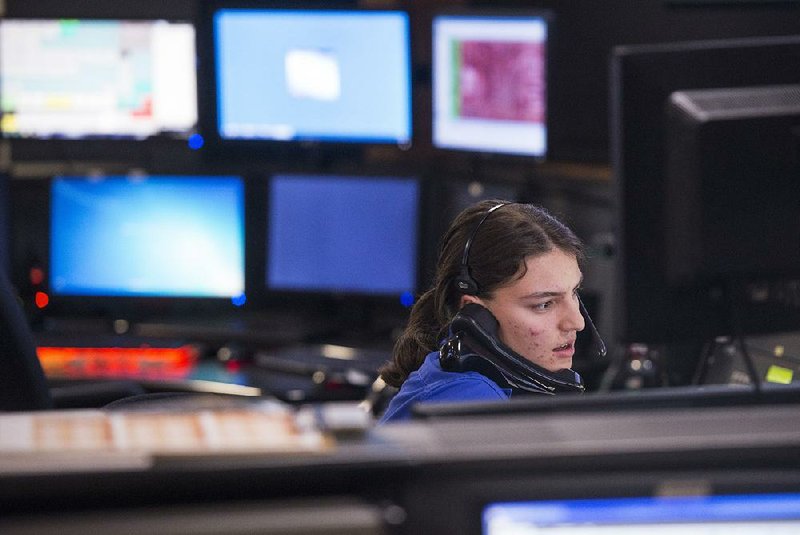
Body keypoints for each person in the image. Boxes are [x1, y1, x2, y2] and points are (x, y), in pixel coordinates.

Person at [378, 200, 590, 423]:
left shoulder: (470, 384)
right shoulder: (468, 402)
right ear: (475, 312)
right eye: (544, 304)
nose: (577, 322)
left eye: (574, 292)